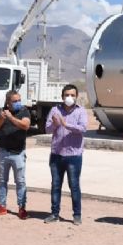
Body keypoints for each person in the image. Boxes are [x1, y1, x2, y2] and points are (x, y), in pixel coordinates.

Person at [44, 84, 88, 225]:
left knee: (74, 185)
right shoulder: (55, 110)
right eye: (67, 95)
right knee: (56, 185)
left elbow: (82, 128)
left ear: (76, 97)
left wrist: (65, 124)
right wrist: (56, 124)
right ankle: (54, 213)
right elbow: (47, 129)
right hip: (57, 154)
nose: (69, 97)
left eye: (72, 95)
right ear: (62, 96)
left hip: (73, 155)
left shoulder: (81, 111)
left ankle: (77, 215)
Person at [0, 90, 31, 219]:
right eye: (14, 101)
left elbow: (25, 125)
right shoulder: (1, 111)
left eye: (19, 100)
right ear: (8, 102)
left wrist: (11, 118)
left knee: (20, 181)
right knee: (2, 181)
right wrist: (2, 117)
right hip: (3, 151)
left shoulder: (24, 111)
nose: (18, 103)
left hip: (18, 153)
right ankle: (2, 206)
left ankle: (22, 208)